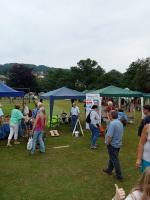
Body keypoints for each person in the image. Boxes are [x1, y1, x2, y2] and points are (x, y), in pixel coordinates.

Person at [103, 110, 124, 181]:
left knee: (115, 159)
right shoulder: (119, 122)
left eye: (109, 114)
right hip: (118, 144)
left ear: (111, 116)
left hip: (113, 144)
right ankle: (109, 170)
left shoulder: (112, 124)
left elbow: (109, 136)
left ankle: (119, 175)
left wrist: (107, 143)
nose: (108, 115)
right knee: (112, 157)